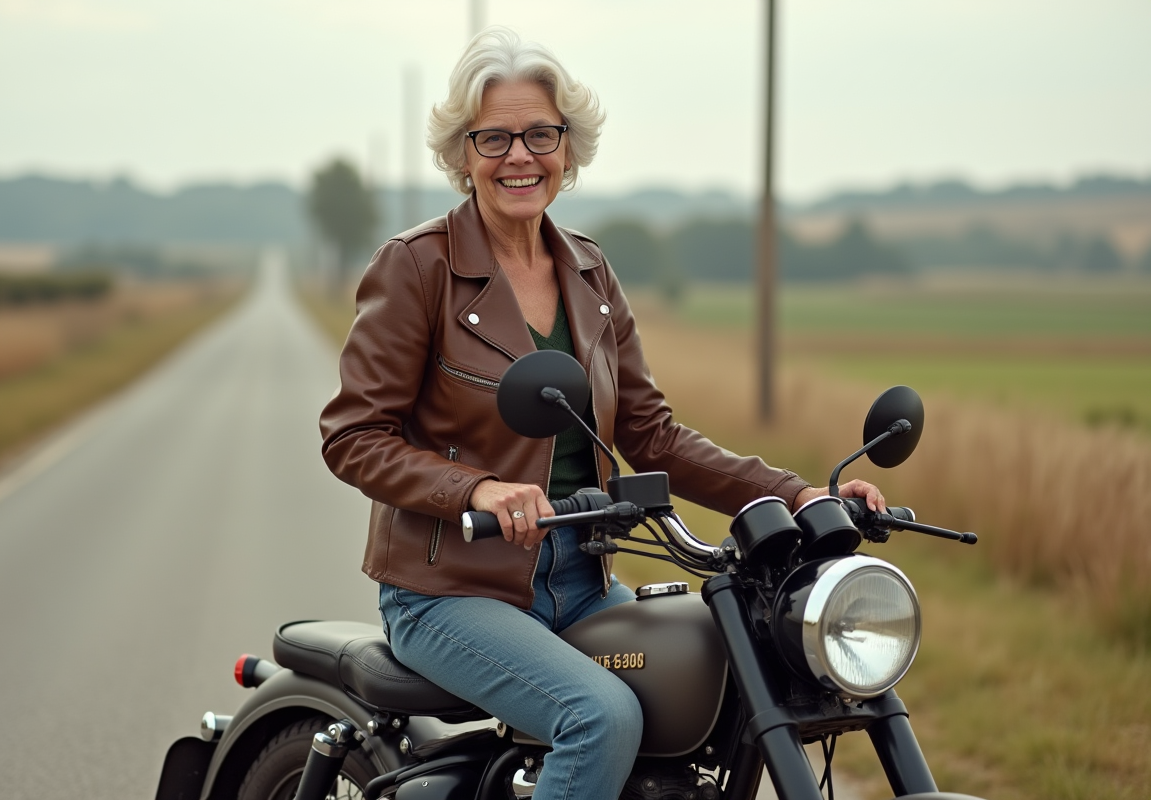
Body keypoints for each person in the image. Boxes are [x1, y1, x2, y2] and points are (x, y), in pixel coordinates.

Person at [319, 26, 886, 800]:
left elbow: (652, 435)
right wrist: (478, 489)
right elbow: (354, 437)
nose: (519, 156)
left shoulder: (588, 271)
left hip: (582, 579)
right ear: (463, 154)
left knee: (717, 677)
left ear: (567, 147)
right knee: (601, 718)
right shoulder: (418, 266)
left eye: (540, 134)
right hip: (449, 590)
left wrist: (795, 494)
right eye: (493, 138)